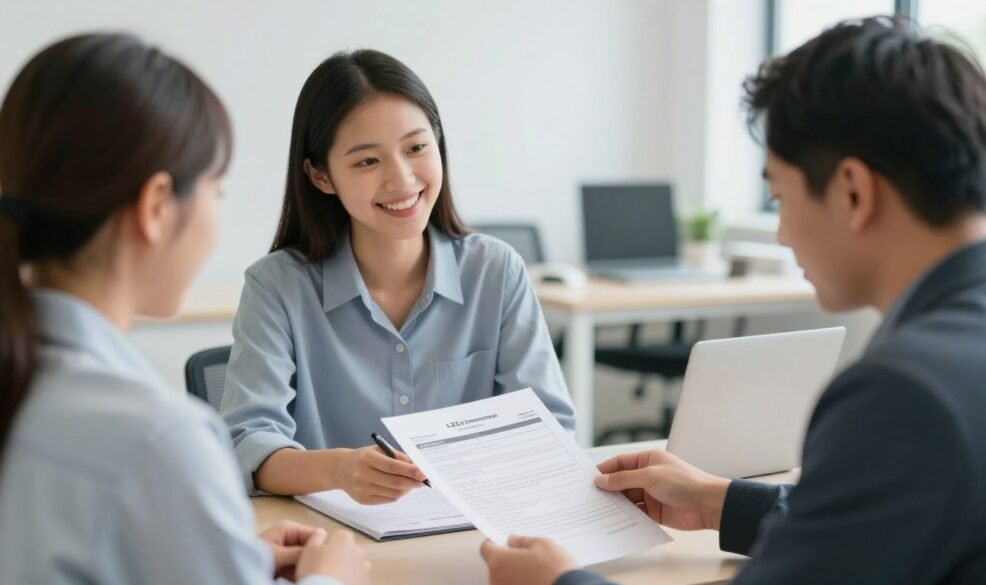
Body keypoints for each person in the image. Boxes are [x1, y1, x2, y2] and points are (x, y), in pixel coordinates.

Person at [481, 16, 986, 585]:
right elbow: (889, 522)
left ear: (853, 192)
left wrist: (557, 583)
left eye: (780, 196)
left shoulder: (904, 394)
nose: (784, 233)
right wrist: (722, 502)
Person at [0, 33, 369, 585]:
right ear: (155, 207)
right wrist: (329, 579)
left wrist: (217, 553)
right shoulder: (158, 438)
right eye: (215, 190)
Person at [219, 49, 575, 503]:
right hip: (331, 546)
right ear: (321, 176)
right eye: (368, 161)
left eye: (416, 148)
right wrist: (342, 469)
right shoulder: (277, 288)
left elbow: (549, 428)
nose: (402, 179)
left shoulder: (496, 271)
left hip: (469, 538)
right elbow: (247, 444)